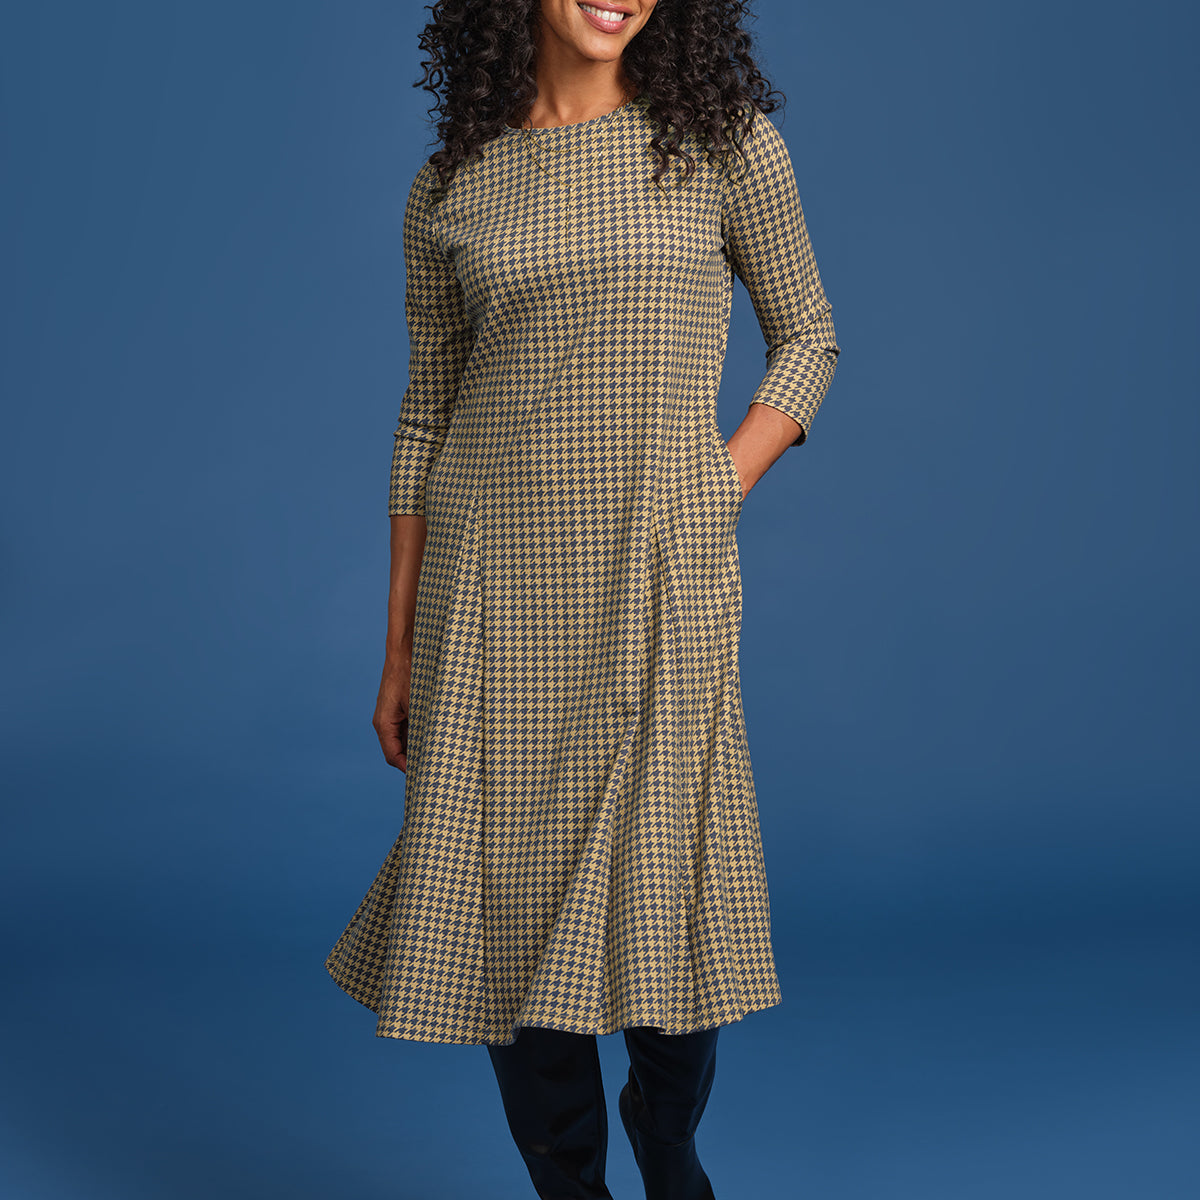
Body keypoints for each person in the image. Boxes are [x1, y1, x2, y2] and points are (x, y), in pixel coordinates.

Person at [325, 1, 840, 1196]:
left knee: (664, 889)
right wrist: (398, 654)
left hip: (661, 578)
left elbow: (808, 334)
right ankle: (569, 1187)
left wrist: (716, 483)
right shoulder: (452, 182)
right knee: (509, 910)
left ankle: (670, 1152)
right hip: (490, 588)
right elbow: (422, 422)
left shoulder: (718, 140)